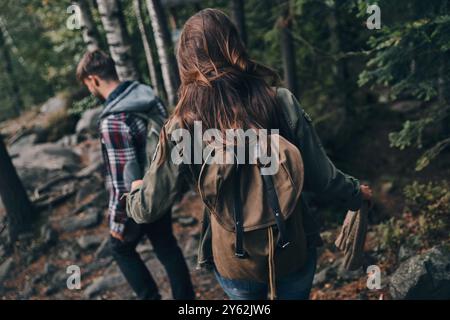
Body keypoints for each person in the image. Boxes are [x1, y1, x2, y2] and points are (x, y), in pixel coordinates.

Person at [125, 9, 372, 300]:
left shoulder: (183, 125)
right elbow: (321, 178)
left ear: (186, 59)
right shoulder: (279, 100)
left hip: (233, 259)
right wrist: (356, 193)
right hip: (291, 247)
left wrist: (135, 194)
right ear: (234, 45)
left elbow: (149, 208)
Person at [75, 50, 195, 300]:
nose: (89, 90)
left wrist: (118, 222)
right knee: (167, 247)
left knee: (119, 248)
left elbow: (122, 181)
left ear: (93, 79)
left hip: (138, 198)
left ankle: (150, 297)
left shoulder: (114, 121)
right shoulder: (147, 96)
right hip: (160, 187)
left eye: (87, 84)